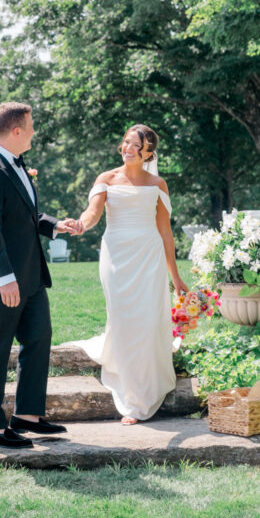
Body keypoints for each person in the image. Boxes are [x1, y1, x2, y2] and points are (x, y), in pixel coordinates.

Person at [0, 101, 80, 448]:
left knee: (39, 337)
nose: (33, 132)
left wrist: (53, 225)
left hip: (30, 274)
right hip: (0, 280)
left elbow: (22, 213)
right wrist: (4, 278)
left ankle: (28, 415)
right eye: (30, 127)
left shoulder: (15, 164)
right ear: (16, 131)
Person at [73, 124, 188, 424]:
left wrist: (175, 278)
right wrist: (82, 224)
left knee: (148, 321)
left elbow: (165, 233)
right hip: (116, 256)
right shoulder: (107, 179)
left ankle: (142, 397)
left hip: (148, 257)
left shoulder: (158, 184)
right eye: (125, 142)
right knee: (124, 320)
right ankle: (128, 391)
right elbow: (93, 212)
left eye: (136, 145)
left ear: (148, 152)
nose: (128, 149)